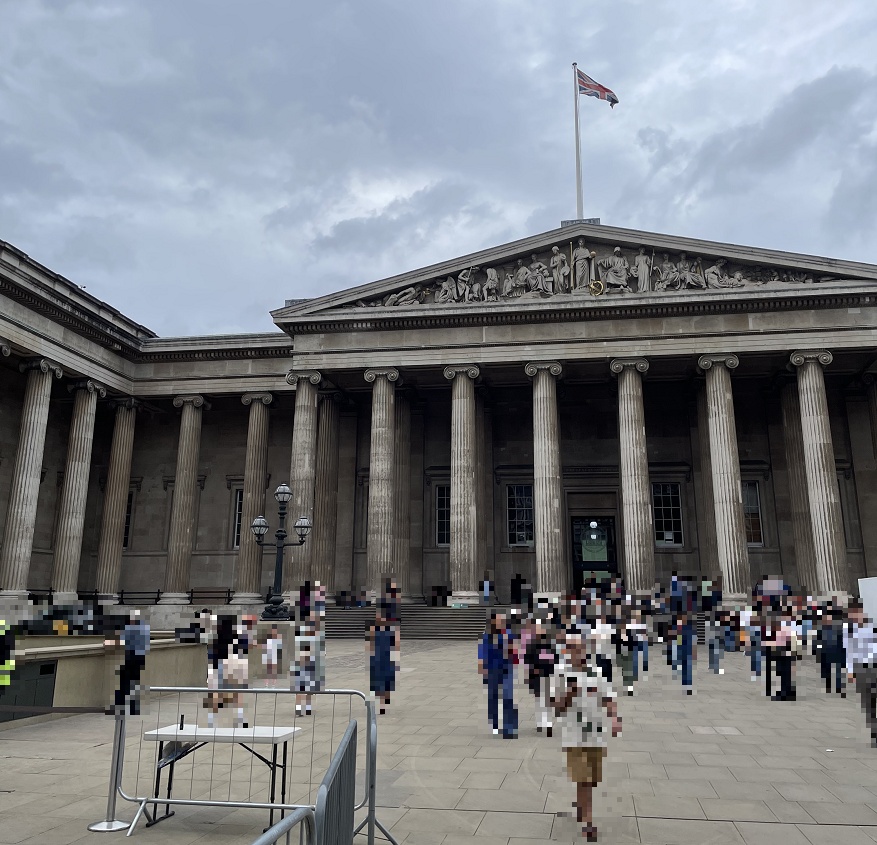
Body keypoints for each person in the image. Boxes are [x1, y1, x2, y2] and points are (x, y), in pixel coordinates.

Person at [551, 629, 621, 842]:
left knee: (591, 781)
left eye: (581, 648)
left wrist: (615, 718)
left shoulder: (596, 672)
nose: (578, 652)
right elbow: (556, 708)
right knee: (584, 779)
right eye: (573, 648)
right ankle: (588, 822)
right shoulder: (560, 673)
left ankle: (581, 806)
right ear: (566, 651)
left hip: (596, 735)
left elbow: (608, 697)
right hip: (573, 736)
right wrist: (569, 694)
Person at [478, 612, 518, 738]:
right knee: (493, 698)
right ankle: (494, 725)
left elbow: (514, 650)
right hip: (491, 670)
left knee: (508, 697)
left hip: (506, 668)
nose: (502, 622)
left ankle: (509, 728)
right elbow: (482, 652)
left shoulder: (508, 633)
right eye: (499, 620)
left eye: (503, 620)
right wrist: (481, 666)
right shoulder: (486, 635)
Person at [844, 600, 877, 746]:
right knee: (868, 701)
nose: (855, 616)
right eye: (852, 613)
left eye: (857, 612)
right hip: (861, 667)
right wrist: (850, 671)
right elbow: (849, 651)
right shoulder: (849, 629)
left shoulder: (873, 625)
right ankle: (874, 733)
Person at [106, 609, 150, 716]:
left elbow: (122, 641)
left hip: (131, 657)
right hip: (141, 657)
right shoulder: (144, 628)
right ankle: (134, 708)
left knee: (124, 682)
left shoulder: (131, 628)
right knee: (134, 682)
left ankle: (119, 706)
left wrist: (108, 642)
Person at [523, 612, 558, 735]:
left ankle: (547, 724)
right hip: (536, 676)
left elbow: (556, 659)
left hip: (548, 675)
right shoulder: (531, 645)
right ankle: (540, 723)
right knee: (539, 701)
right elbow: (527, 659)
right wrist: (533, 668)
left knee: (547, 701)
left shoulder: (551, 644)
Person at [368, 606, 400, 715]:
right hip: (377, 658)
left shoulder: (392, 629)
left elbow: (396, 645)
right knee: (378, 681)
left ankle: (384, 702)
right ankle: (381, 703)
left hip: (387, 657)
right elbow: (371, 644)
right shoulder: (373, 628)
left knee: (386, 681)